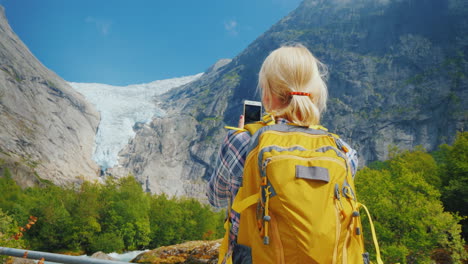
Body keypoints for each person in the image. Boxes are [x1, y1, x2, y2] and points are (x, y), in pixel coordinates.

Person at [207, 43, 359, 263]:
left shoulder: (241, 141)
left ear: (267, 93)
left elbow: (215, 197)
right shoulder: (344, 152)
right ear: (315, 94)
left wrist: (243, 132)